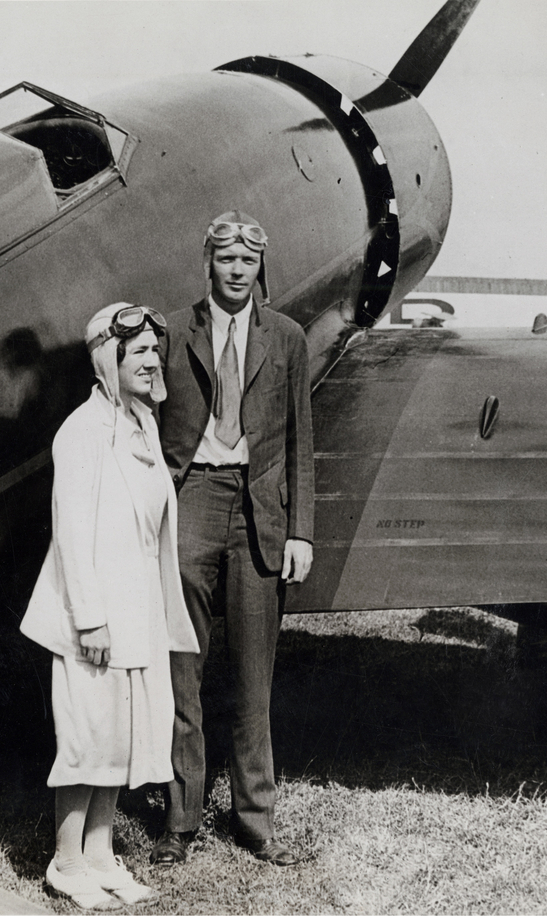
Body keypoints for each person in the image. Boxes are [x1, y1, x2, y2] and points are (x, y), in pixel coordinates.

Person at [20, 303, 200, 909]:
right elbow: (70, 530)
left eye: (155, 349)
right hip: (91, 618)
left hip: (138, 610)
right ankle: (66, 862)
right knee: (88, 736)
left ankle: (99, 854)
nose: (153, 361)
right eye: (139, 352)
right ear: (109, 361)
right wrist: (90, 617)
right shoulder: (81, 432)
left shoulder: (142, 424)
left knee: (122, 738)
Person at [152, 211, 314, 867]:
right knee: (180, 671)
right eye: (225, 261)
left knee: (253, 680)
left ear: (260, 266)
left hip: (259, 508)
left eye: (247, 262)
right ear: (209, 262)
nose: (236, 272)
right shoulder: (169, 331)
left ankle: (254, 821)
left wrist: (300, 529)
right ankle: (180, 820)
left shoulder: (286, 337)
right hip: (192, 498)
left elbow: (303, 438)